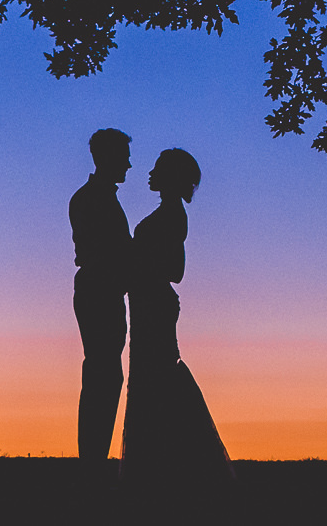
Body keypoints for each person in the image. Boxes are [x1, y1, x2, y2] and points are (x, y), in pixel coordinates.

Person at [123, 147, 231, 491]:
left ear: (170, 176)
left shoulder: (172, 214)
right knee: (153, 376)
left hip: (154, 305)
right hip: (149, 303)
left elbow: (175, 270)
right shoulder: (169, 213)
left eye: (157, 168)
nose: (150, 173)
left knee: (155, 378)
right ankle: (164, 468)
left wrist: (136, 263)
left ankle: (164, 470)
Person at [70, 127, 135, 464]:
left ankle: (93, 462)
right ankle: (92, 464)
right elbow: (104, 252)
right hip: (99, 292)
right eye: (124, 157)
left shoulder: (98, 197)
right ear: (106, 157)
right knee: (103, 374)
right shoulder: (90, 199)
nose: (129, 164)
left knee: (105, 373)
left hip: (103, 290)